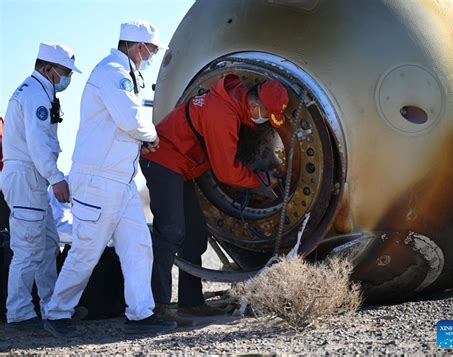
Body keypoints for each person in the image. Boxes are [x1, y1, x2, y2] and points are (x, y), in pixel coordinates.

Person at [43, 20, 176, 337]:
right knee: (87, 250)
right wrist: (150, 135)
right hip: (98, 180)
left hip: (120, 181)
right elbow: (131, 119)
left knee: (138, 246)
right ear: (136, 45)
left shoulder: (126, 75)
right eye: (152, 49)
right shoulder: (112, 73)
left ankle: (140, 314)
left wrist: (143, 133)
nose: (152, 55)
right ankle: (57, 313)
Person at [140, 74, 289, 321]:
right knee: (171, 232)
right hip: (164, 161)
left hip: (182, 166)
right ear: (254, 106)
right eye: (265, 115)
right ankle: (158, 307)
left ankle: (191, 303)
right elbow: (226, 172)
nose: (263, 121)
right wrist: (261, 180)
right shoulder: (223, 115)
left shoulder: (233, 102)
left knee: (195, 235)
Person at [1, 43, 81, 330]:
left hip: (30, 178)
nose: (67, 78)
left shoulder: (36, 91)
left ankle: (51, 307)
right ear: (48, 69)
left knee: (47, 245)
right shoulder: (35, 94)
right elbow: (38, 142)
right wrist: (56, 177)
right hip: (27, 176)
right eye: (65, 71)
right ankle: (20, 313)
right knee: (27, 249)